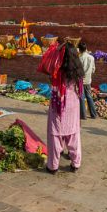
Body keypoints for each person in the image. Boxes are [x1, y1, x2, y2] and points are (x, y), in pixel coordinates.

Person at [46, 44, 85, 174]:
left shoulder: (57, 70)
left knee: (55, 135)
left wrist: (57, 51)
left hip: (59, 104)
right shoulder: (78, 70)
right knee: (73, 135)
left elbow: (47, 63)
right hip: (73, 104)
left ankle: (53, 166)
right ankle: (75, 163)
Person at [77, 42, 97, 120]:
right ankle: (93, 114)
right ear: (86, 48)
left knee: (81, 97)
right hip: (88, 80)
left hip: (81, 80)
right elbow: (93, 69)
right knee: (89, 96)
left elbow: (78, 70)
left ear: (79, 49)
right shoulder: (91, 57)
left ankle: (83, 115)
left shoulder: (79, 58)